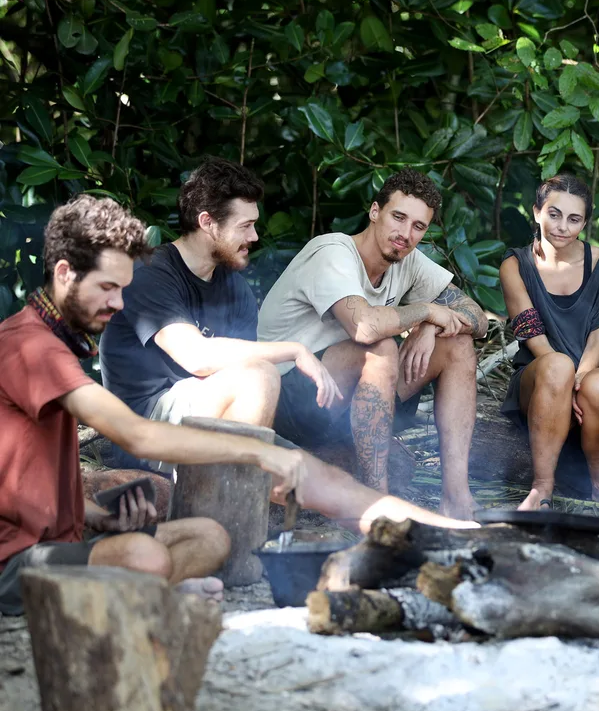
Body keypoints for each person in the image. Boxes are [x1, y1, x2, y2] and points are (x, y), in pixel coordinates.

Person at [0, 195, 477, 616]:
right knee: (145, 557)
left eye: (123, 290)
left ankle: (448, 531)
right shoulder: (31, 346)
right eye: (108, 289)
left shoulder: (59, 341)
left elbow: (24, 477)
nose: (120, 304)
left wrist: (95, 516)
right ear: (64, 273)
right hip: (15, 560)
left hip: (61, 536)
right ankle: (143, 589)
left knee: (211, 538)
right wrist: (258, 452)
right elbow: (137, 435)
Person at [258, 168, 488, 520]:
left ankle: (455, 497)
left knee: (457, 345)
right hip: (287, 397)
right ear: (375, 211)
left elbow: (478, 318)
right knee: (379, 348)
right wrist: (427, 310)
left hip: (349, 396)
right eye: (398, 217)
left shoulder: (407, 261)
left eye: (418, 226)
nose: (406, 234)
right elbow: (364, 327)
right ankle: (375, 503)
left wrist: (431, 323)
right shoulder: (333, 251)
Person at [100, 157, 341, 471]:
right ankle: (226, 511)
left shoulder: (235, 287)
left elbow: (236, 376)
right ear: (207, 223)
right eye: (245, 226)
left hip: (206, 417)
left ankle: (234, 496)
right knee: (260, 376)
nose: (254, 237)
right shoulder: (150, 273)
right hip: (144, 429)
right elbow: (197, 358)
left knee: (307, 471)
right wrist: (295, 350)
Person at [499, 174, 599, 511]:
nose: (562, 226)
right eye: (554, 214)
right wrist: (563, 382)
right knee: (556, 366)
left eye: (574, 219)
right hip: (538, 376)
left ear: (585, 222)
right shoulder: (515, 265)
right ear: (536, 212)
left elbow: (597, 342)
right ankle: (541, 489)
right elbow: (531, 334)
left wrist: (576, 383)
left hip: (591, 372)